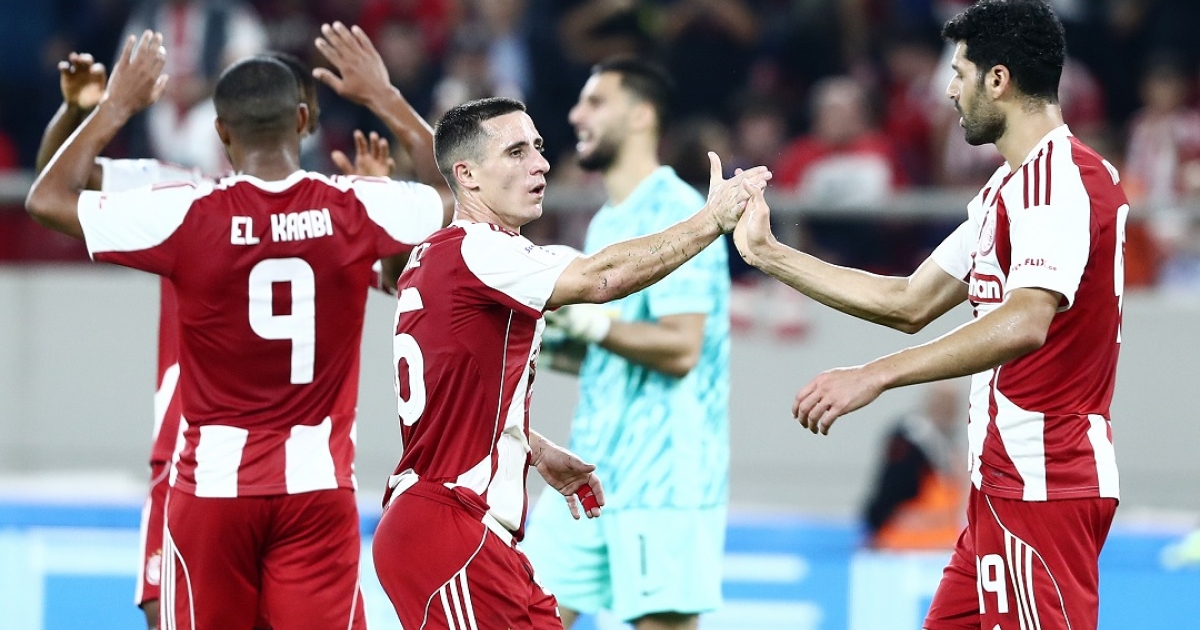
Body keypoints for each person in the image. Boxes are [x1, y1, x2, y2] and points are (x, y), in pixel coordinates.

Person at [25, 32, 449, 630]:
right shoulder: (354, 207)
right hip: (316, 481)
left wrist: (112, 107)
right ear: (302, 121)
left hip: (205, 478)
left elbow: (48, 195)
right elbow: (464, 191)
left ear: (221, 131)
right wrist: (384, 97)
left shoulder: (180, 208)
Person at [732, 2, 1124, 629]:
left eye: (960, 74)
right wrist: (768, 253)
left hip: (1042, 486)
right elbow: (909, 301)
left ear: (998, 80)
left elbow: (1027, 320)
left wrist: (876, 374)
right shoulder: (1008, 189)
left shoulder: (1056, 182)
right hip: (1000, 488)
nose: (949, 91)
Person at [369, 96, 770, 629]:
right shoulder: (482, 251)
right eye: (516, 152)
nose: (540, 163)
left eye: (537, 147)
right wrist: (711, 219)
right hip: (451, 528)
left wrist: (527, 446)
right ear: (467, 175)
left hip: (463, 529)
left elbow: (456, 392)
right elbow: (601, 278)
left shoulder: (438, 255)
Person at [522, 58, 730, 630]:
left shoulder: (680, 213)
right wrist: (553, 337)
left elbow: (682, 348)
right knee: (524, 612)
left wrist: (593, 325)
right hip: (592, 465)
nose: (576, 115)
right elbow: (608, 353)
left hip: (665, 477)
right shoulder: (606, 224)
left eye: (595, 101)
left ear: (642, 116)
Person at [862, 380, 966, 551]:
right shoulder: (910, 439)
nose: (948, 410)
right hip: (905, 535)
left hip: (939, 534)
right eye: (943, 403)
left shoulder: (947, 443)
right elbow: (891, 492)